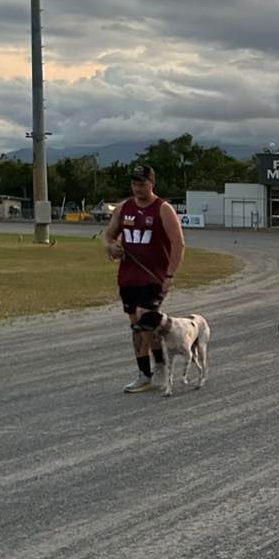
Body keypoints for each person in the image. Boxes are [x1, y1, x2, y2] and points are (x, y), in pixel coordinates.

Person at [103, 164, 186, 392]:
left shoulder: (163, 209)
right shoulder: (124, 208)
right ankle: (144, 373)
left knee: (145, 319)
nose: (138, 188)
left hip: (154, 277)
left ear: (152, 183)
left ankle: (159, 366)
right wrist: (111, 247)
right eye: (134, 183)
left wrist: (169, 275)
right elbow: (109, 236)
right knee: (136, 326)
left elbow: (178, 243)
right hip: (129, 276)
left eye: (142, 183)